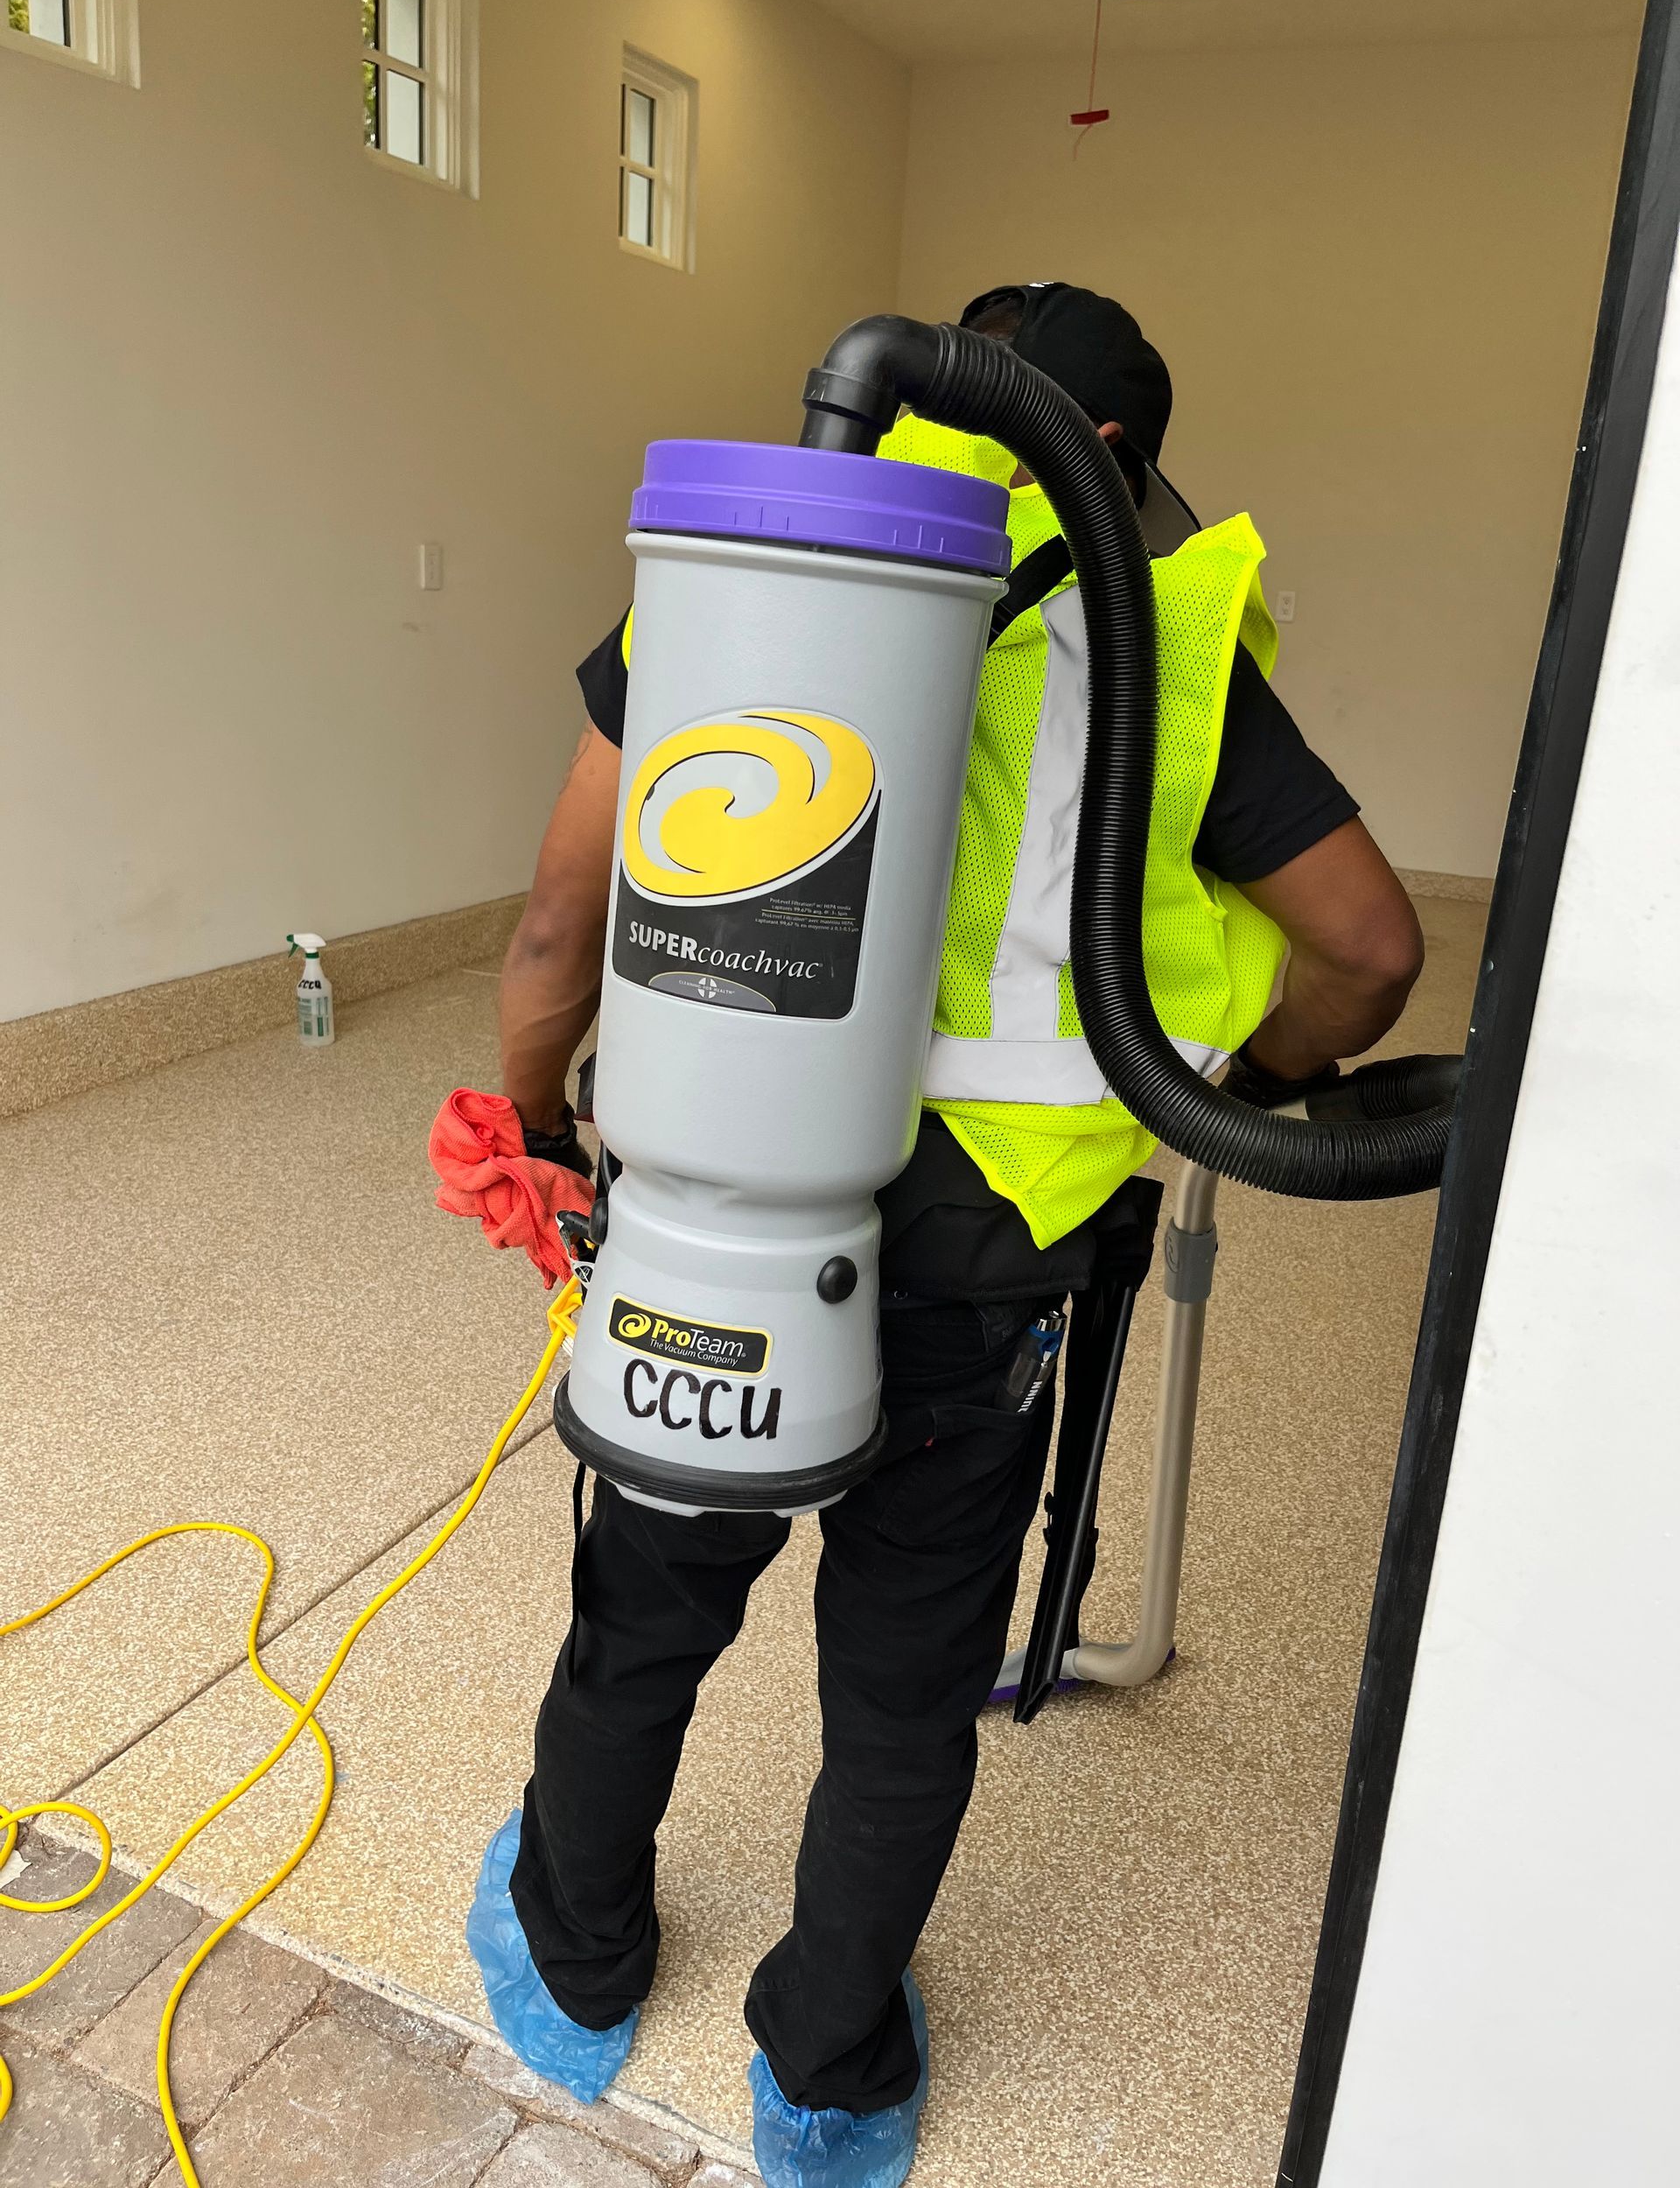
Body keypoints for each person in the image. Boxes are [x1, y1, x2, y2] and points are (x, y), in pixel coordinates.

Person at [469, 281, 1424, 2188]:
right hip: (989, 1253)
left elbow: (559, 934)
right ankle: (824, 2069)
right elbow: (1374, 949)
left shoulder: (741, 578)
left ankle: (576, 1966)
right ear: (1130, 463)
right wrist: (1219, 1070)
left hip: (721, 1220)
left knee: (642, 1612)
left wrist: (536, 1118)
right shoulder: (1155, 640)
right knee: (905, 1689)